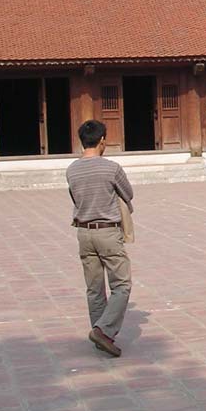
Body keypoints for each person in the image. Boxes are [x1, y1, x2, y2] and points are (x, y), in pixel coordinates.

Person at [66, 119, 134, 357]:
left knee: (94, 288)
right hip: (108, 231)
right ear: (103, 141)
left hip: (84, 232)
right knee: (122, 285)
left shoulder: (71, 169)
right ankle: (104, 331)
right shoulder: (111, 168)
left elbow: (75, 198)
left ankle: (100, 334)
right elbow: (128, 193)